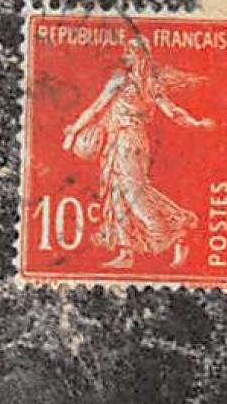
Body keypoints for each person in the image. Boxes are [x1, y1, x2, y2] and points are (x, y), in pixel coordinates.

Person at [61, 34, 214, 270]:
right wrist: (196, 123)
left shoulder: (127, 80)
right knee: (118, 194)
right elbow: (172, 111)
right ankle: (126, 252)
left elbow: (97, 107)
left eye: (129, 53)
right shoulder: (149, 83)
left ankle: (175, 232)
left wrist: (74, 132)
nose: (125, 56)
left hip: (125, 141)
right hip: (128, 141)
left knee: (134, 195)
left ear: (139, 55)